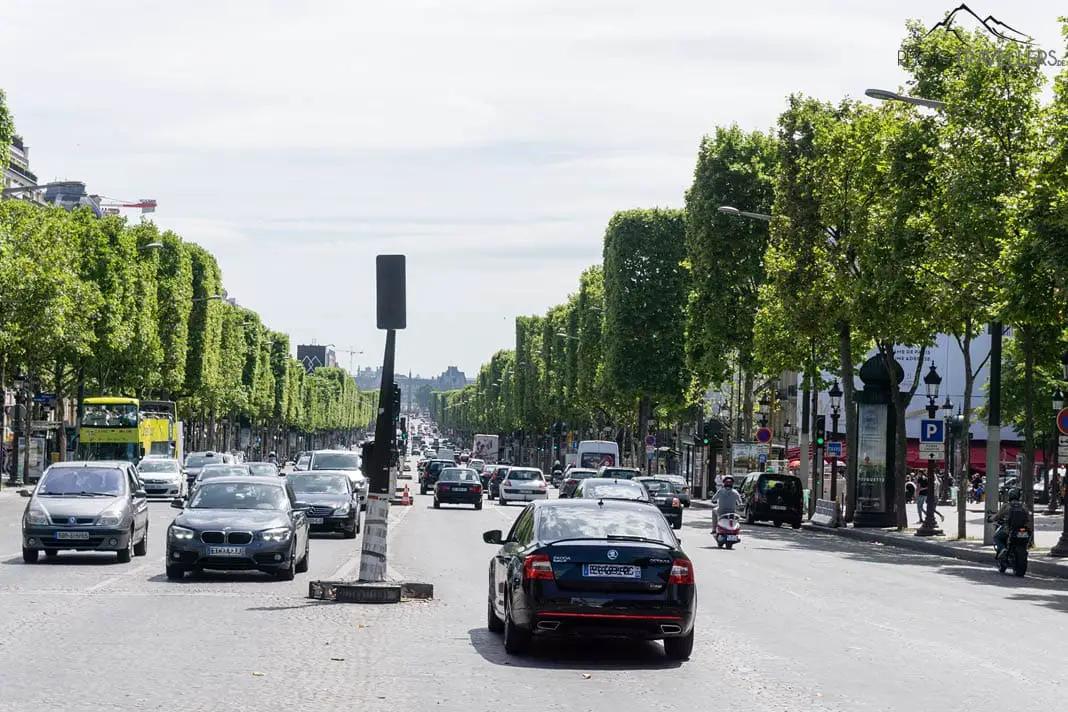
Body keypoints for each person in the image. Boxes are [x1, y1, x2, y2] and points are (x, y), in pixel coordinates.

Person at [992, 487, 1030, 558]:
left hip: (1009, 530)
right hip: (1022, 530)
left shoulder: (1006, 506)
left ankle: (1002, 549)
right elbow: (1028, 518)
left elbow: (998, 516)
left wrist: (991, 518)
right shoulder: (1023, 506)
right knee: (1025, 540)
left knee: (996, 537)